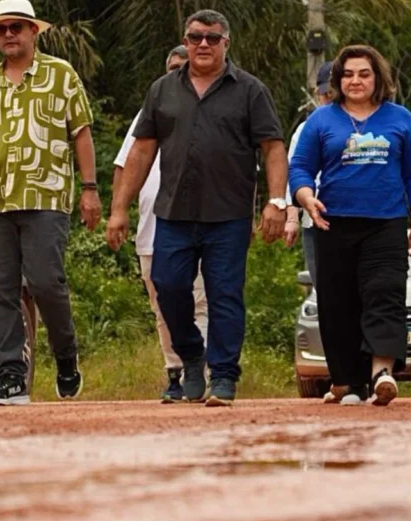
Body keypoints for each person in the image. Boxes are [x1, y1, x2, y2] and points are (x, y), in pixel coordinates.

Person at [107, 9, 288, 407]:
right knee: (167, 286)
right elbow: (141, 151)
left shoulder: (250, 90)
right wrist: (119, 209)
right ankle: (191, 355)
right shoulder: (162, 90)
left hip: (229, 215)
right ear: (185, 41)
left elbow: (273, 148)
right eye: (195, 37)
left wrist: (277, 202)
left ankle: (223, 376)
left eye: (212, 37)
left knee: (225, 295)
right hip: (174, 213)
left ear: (226, 43)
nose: (203, 44)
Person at [0, 0, 101, 406]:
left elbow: (81, 132)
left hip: (45, 195)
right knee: (0, 289)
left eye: (16, 27)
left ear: (33, 31)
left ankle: (66, 355)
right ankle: (11, 376)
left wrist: (89, 188)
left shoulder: (61, 74)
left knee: (44, 282)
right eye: (1, 29)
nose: (8, 34)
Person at [289, 44, 411, 406]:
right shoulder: (321, 120)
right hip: (332, 223)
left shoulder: (400, 118)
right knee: (338, 303)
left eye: (364, 74)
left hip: (386, 223)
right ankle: (349, 382)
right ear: (338, 80)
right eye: (348, 74)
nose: (356, 81)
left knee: (385, 293)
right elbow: (300, 167)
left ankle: (381, 373)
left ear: (378, 78)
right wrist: (305, 197)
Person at [112, 45, 209, 403]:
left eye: (184, 66)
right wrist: (117, 211)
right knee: (164, 307)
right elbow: (124, 165)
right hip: (152, 231)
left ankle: (200, 373)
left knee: (200, 303)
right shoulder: (150, 113)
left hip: (201, 225)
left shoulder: (211, 109)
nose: (178, 73)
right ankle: (175, 372)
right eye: (172, 68)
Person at [285, 60, 334, 284]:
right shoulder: (306, 129)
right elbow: (294, 173)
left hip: (353, 217)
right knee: (324, 288)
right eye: (326, 94)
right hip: (314, 221)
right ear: (318, 94)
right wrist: (292, 218)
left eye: (336, 93)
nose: (331, 99)